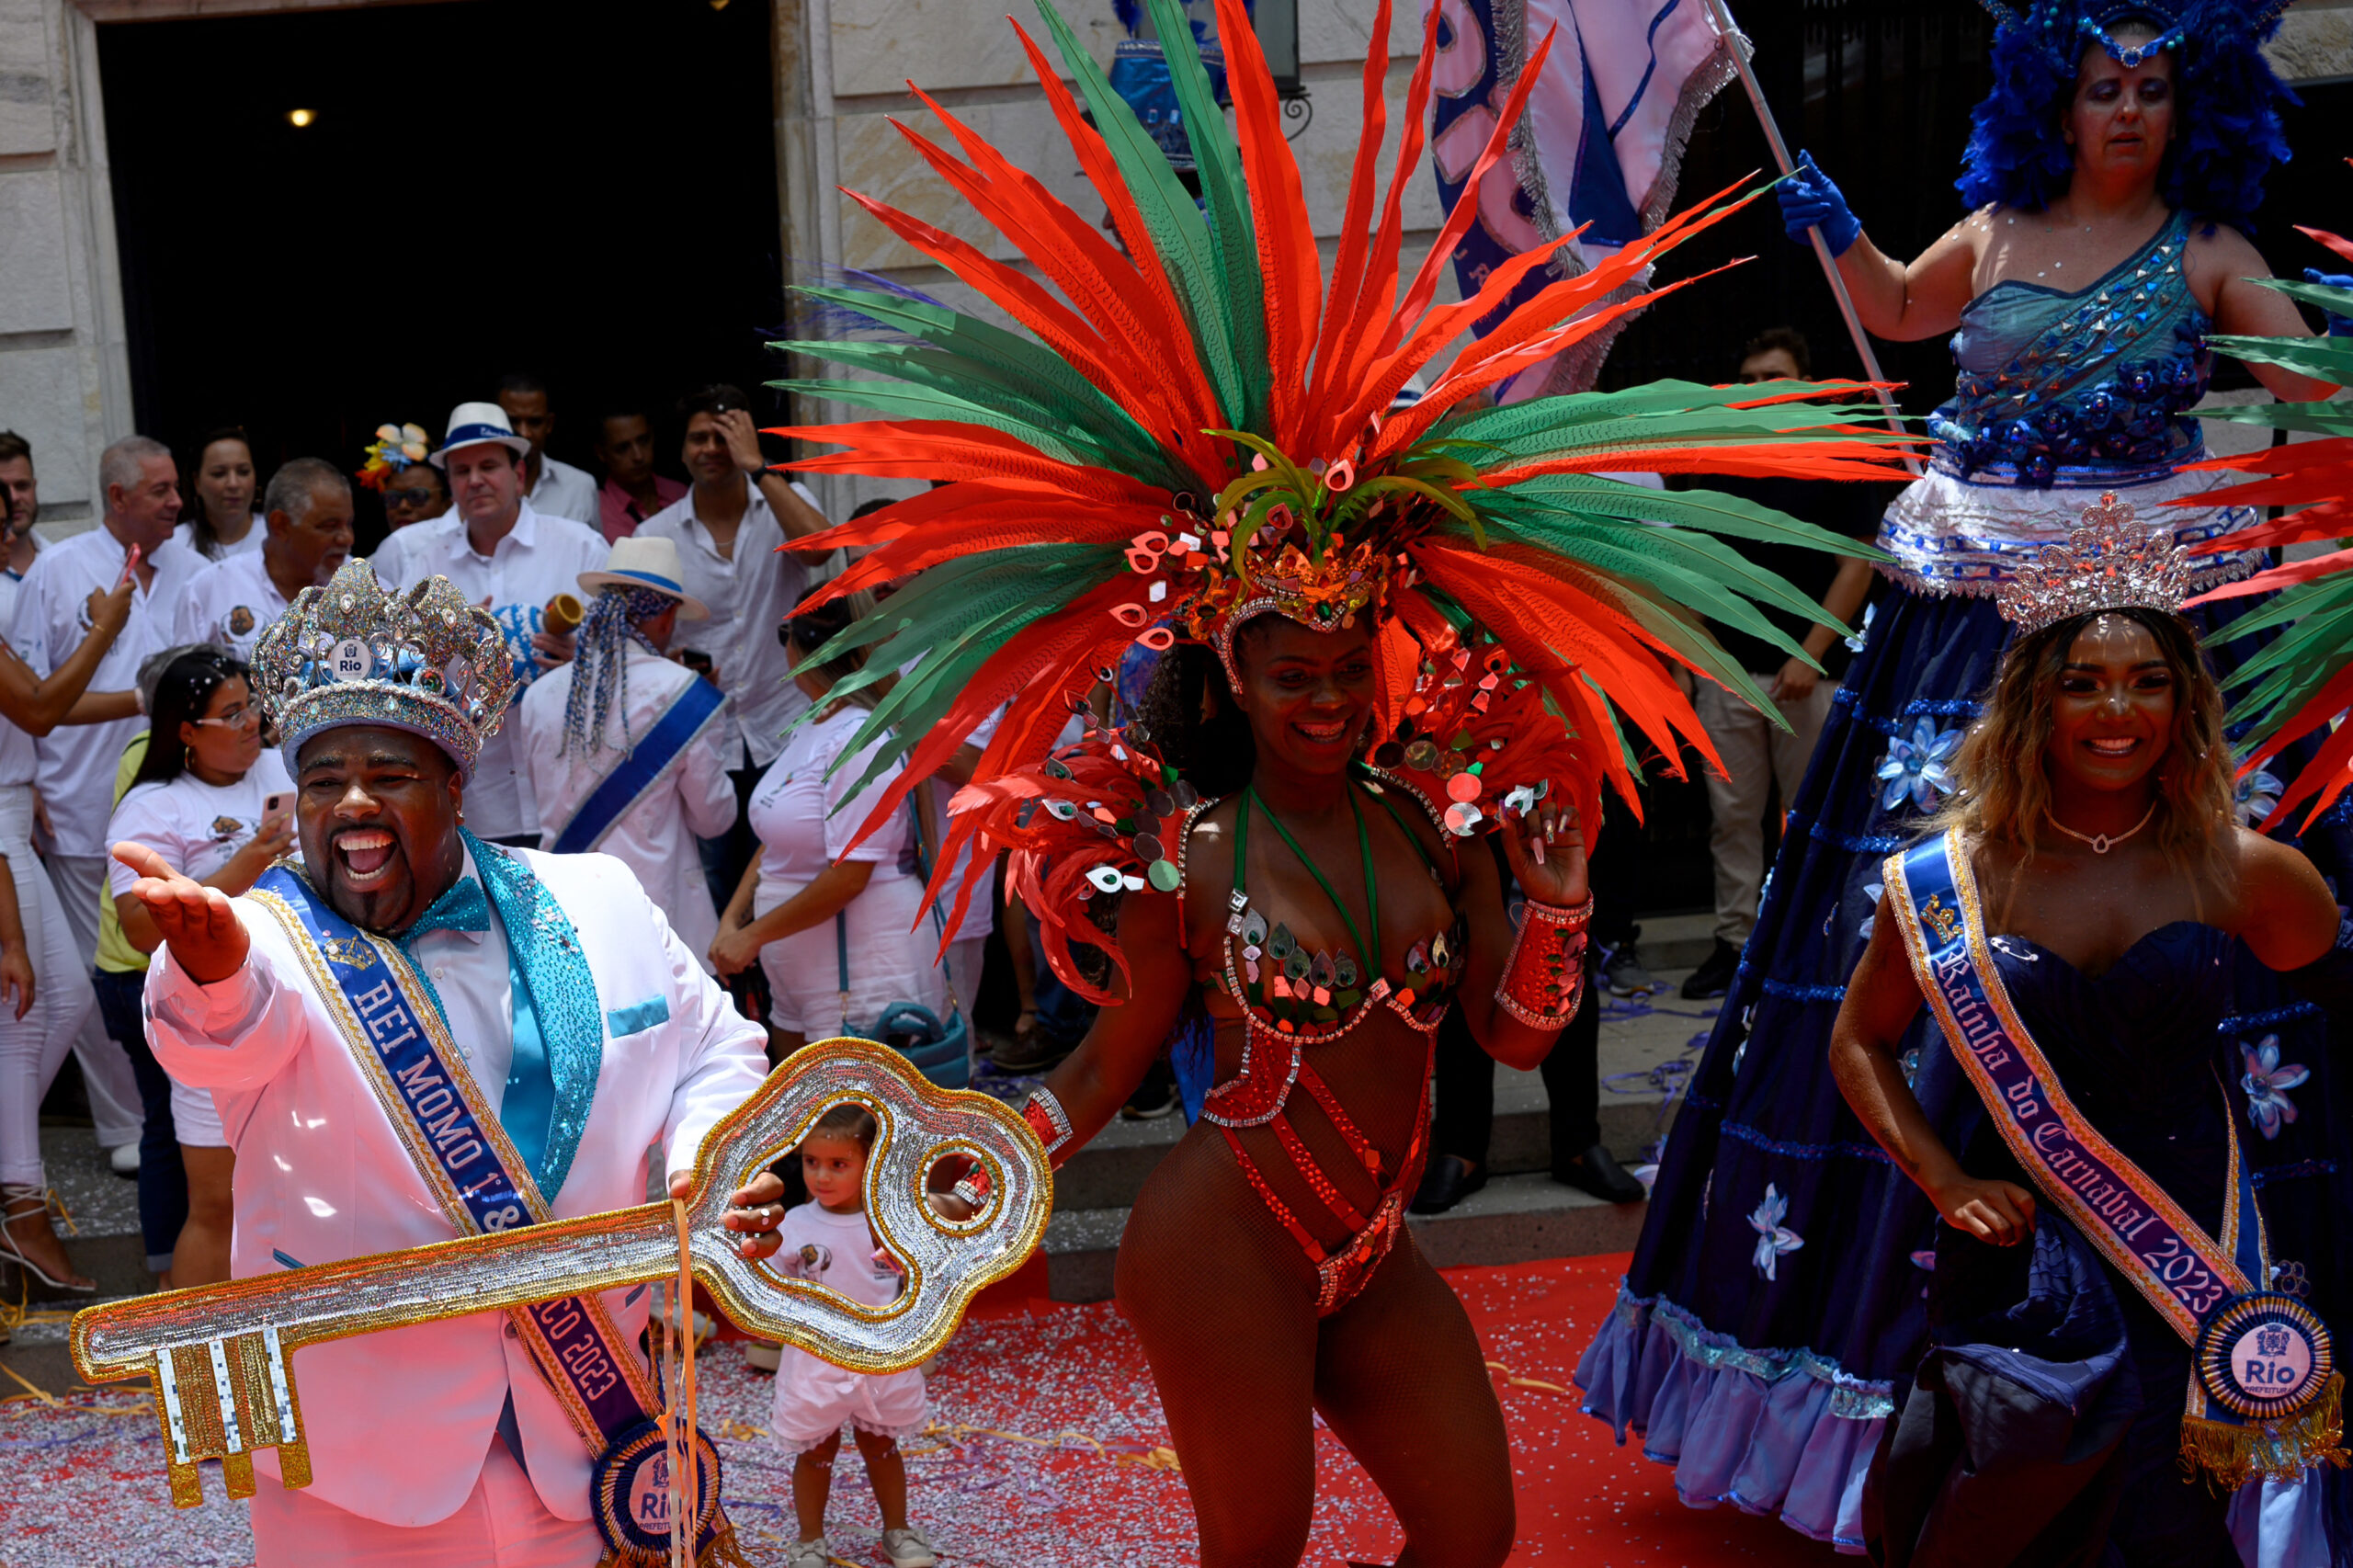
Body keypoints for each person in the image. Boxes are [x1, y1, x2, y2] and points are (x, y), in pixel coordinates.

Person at [764, 11, 1908, 1559]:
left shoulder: (1438, 819)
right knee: (1258, 1549)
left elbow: (1511, 1030)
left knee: (1473, 1530)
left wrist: (1561, 892)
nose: (1319, 692)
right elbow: (1108, 1069)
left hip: (1372, 1250)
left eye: (1341, 662)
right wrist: (962, 1156)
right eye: (1285, 667)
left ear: (1382, 656)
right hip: (1220, 1235)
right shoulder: (1194, 851)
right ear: (1231, 675)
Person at [1578, 6, 2348, 1548]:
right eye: (2098, 86)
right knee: (1890, 954)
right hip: (1952, 644)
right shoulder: (1992, 227)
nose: (2124, 111)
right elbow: (1900, 310)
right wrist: (1843, 240)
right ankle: (1894, 1390)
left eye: (2150, 88)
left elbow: (2303, 374)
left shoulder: (2204, 249)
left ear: (2190, 105)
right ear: (2048, 98)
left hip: (2138, 639)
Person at [120, 559, 784, 1566]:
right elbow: (221, 1046)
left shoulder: (599, 897)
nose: (350, 803)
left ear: (456, 785)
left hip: (597, 1439)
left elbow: (716, 1046)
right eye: (320, 781)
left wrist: (701, 1162)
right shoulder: (261, 938)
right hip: (356, 1472)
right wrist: (203, 966)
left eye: (387, 776)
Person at [1829, 508, 2347, 1562]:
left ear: (2183, 700)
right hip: (2014, 1243)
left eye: (2147, 679)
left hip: (2185, 1240)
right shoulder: (1950, 879)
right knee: (2017, 1498)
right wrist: (1941, 1179)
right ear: (2034, 702)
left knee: (2160, 1514)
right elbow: (1856, 1040)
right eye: (2082, 681)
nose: (2118, 709)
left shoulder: (2239, 867)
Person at [13, 434, 207, 1175]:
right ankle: (124, 1126)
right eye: (159, 491)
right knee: (102, 977)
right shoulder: (61, 571)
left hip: (179, 803)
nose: (175, 502)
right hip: (81, 798)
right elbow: (33, 697)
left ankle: (185, 1107)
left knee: (178, 948)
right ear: (118, 498)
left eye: (173, 488)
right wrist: (27, 786)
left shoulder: (192, 567)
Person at [1680, 328, 1882, 1000]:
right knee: (1731, 818)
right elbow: (1693, 571)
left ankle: (1800, 945)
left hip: (1808, 677)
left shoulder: (1834, 459)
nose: (1761, 390)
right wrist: (1701, 661)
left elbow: (1859, 567)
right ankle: (1735, 945)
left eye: (1776, 378)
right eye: (1749, 379)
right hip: (1731, 675)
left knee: (1804, 817)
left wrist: (1811, 654)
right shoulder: (1717, 464)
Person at [104, 647, 292, 1288]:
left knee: (304, 1200)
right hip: (211, 1020)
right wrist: (254, 858)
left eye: (253, 708)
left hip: (304, 1006)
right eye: (231, 713)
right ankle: (202, 1379)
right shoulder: (153, 807)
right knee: (217, 1206)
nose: (251, 725)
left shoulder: (284, 766)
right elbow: (135, 931)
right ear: (186, 732)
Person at [710, 596, 945, 1059]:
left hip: (862, 971)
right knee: (808, 1114)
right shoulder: (814, 724)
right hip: (803, 971)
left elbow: (850, 876)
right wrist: (732, 920)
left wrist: (752, 935)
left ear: (801, 648)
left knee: (859, 1120)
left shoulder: (859, 737)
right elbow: (776, 843)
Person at [0, 493, 135, 1293]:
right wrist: (105, 631)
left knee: (66, 1004)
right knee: (29, 1005)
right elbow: (43, 709)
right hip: (0, 828)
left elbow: (38, 709)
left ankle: (16, 1190)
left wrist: (143, 693)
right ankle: (22, 1207)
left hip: (14, 816)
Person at [635, 385, 833, 917]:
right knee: (715, 887)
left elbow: (823, 550)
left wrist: (759, 467)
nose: (711, 449)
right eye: (699, 438)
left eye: (725, 437)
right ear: (680, 450)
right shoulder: (655, 535)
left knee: (790, 877)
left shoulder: (783, 502)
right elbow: (637, 634)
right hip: (704, 741)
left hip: (787, 729)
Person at [372, 403, 607, 847]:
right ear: (451, 485)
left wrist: (582, 659)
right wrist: (445, 652)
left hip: (573, 780)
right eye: (461, 471)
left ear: (519, 475)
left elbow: (624, 653)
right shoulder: (426, 565)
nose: (475, 480)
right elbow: (396, 676)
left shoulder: (579, 548)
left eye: (488, 466)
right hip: (482, 795)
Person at [517, 535, 734, 961]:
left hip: (567, 912)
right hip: (659, 915)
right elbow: (715, 819)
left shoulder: (540, 695)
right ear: (667, 616)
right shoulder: (684, 692)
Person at [770, 1102, 937, 1568]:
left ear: (872, 1164)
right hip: (816, 1363)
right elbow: (771, 1286)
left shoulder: (892, 1224)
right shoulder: (793, 1225)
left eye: (838, 1164)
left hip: (881, 1357)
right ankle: (809, 1540)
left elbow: (922, 1279)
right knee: (817, 1450)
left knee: (882, 1445)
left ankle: (897, 1531)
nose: (821, 1176)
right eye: (811, 1161)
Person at [176, 459, 356, 659]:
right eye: (330, 526)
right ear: (280, 525)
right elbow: (182, 682)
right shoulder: (209, 589)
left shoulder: (368, 588)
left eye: (349, 524)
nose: (347, 538)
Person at [497, 372, 600, 528]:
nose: (525, 433)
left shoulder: (580, 487)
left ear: (549, 424)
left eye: (535, 422)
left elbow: (595, 550)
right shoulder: (481, 488)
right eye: (513, 421)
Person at [593, 407, 685, 543]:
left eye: (643, 441)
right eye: (623, 448)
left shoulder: (680, 493)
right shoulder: (596, 511)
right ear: (601, 453)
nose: (638, 456)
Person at [175, 426, 264, 562]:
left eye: (243, 472)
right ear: (197, 482)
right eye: (219, 474)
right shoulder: (176, 544)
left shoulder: (278, 535)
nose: (233, 484)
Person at [0, 430, 43, 609]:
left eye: (22, 486)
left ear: (34, 487)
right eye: (2, 489)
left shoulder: (62, 559)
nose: (13, 498)